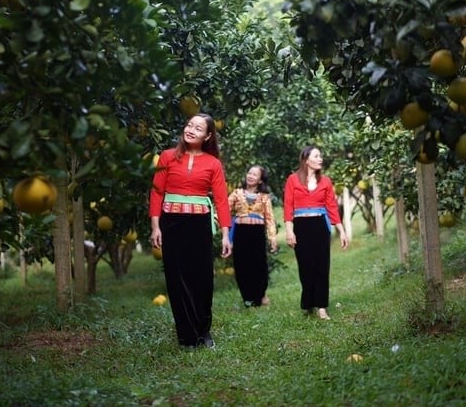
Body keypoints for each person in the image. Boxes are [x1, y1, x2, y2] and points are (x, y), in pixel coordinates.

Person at [149, 113, 232, 349]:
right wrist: (155, 226)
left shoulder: (213, 164)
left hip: (200, 223)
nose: (191, 130)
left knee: (202, 278)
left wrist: (226, 233)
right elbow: (156, 192)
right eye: (189, 125)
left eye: (197, 128)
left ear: (207, 136)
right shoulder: (166, 157)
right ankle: (186, 337)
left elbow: (221, 200)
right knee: (176, 279)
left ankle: (203, 332)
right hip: (171, 222)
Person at [283, 145, 348, 320]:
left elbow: (332, 206)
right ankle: (308, 303)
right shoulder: (293, 180)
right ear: (306, 160)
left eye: (320, 156)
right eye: (316, 156)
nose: (320, 159)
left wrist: (341, 230)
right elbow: (288, 205)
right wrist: (289, 230)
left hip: (320, 224)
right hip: (300, 225)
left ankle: (321, 306)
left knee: (321, 265)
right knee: (305, 266)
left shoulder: (325, 181)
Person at [228, 165, 278, 307]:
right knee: (241, 265)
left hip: (257, 234)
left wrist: (272, 238)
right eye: (249, 173)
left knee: (259, 265)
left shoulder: (264, 197)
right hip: (240, 233)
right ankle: (247, 299)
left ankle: (260, 295)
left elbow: (269, 218)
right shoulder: (237, 193)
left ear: (260, 180)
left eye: (254, 175)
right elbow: (224, 209)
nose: (250, 176)